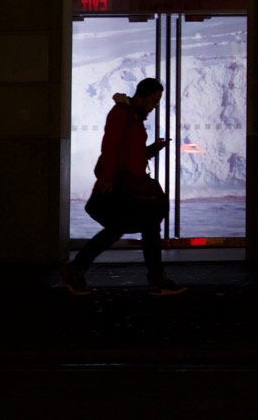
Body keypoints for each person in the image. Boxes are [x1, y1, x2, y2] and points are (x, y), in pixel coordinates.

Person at [59, 77, 185, 296]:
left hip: (130, 187)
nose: (155, 106)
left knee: (122, 230)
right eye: (154, 101)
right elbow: (110, 146)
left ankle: (76, 270)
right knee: (140, 228)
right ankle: (156, 281)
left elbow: (130, 153)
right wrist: (106, 179)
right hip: (122, 187)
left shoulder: (134, 117)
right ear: (143, 96)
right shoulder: (121, 114)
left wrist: (153, 149)